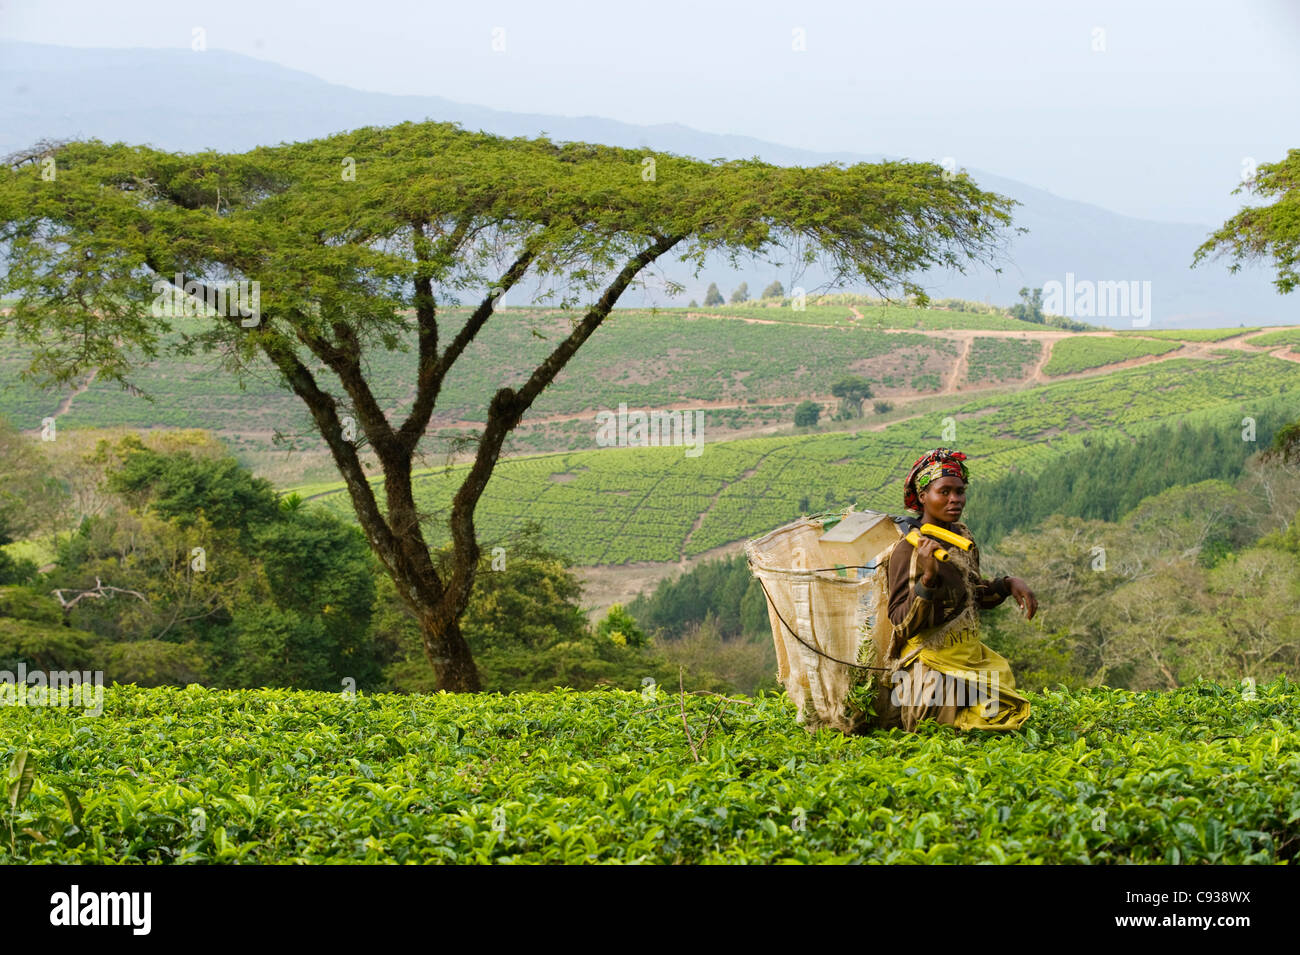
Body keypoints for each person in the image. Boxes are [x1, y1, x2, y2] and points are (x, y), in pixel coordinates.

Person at [882, 447, 1034, 732]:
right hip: (933, 673)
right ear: (923, 496)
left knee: (1006, 722)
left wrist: (1006, 584)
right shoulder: (908, 550)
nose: (955, 500)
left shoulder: (962, 536)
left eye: (960, 491)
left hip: (970, 660)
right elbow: (900, 622)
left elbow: (970, 597)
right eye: (945, 492)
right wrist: (928, 578)